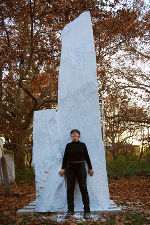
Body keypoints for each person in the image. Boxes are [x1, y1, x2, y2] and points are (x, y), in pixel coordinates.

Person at [59, 129, 94, 219]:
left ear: (79, 135)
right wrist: (63, 168)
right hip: (70, 168)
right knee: (70, 189)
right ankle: (70, 210)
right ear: (71, 136)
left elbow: (87, 157)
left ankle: (87, 211)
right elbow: (65, 158)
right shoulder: (68, 146)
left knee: (83, 188)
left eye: (76, 133)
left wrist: (90, 168)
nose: (74, 135)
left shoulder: (83, 145)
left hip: (81, 167)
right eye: (73, 134)